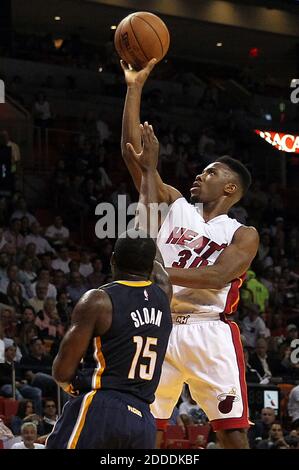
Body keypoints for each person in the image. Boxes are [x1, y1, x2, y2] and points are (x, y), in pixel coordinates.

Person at [120, 59, 259, 449]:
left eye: (211, 173)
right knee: (143, 429)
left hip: (208, 330)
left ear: (230, 190)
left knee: (231, 432)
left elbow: (217, 277)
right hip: (158, 323)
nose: (200, 175)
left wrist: (156, 270)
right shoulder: (176, 204)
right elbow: (135, 155)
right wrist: (134, 87)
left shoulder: (242, 233)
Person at [46, 229, 172, 449]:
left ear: (112, 259)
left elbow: (62, 372)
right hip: (143, 420)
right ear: (150, 267)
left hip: (102, 406)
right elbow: (161, 274)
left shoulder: (98, 301)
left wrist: (78, 393)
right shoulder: (164, 295)